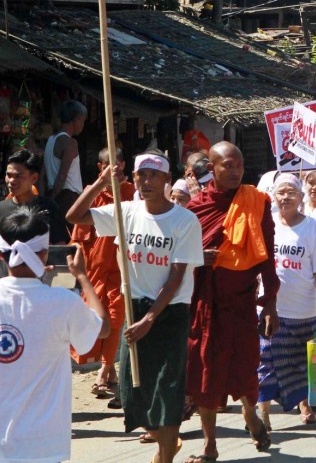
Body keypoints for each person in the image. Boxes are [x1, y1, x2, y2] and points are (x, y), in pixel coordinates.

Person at [67, 151, 203, 463]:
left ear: (168, 180)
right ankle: (164, 438)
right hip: (134, 307)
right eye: (142, 175)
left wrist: (150, 319)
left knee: (166, 390)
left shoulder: (185, 220)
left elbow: (176, 277)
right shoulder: (126, 211)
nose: (147, 181)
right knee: (131, 391)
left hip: (168, 313)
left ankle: (165, 454)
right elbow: (75, 216)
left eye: (155, 175)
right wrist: (101, 181)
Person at [186, 142, 279, 462]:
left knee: (244, 366)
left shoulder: (257, 202)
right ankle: (210, 443)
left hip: (242, 302)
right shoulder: (195, 208)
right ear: (211, 168)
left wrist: (270, 302)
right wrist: (198, 257)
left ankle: (250, 413)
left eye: (239, 165)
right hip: (205, 303)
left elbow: (268, 253)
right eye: (228, 165)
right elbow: (179, 257)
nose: (236, 170)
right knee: (204, 372)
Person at [0, 205, 108, 463]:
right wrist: (82, 276)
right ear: (45, 253)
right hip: (43, 443)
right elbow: (101, 328)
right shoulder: (62, 302)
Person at [257, 174, 316, 428]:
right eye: (281, 193)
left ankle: (305, 405)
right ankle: (262, 414)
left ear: (300, 197)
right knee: (265, 362)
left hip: (304, 309)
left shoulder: (310, 226)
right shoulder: (266, 225)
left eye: (291, 192)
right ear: (273, 197)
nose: (285, 197)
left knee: (301, 365)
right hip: (271, 310)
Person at [69, 147, 134, 402]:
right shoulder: (92, 195)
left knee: (116, 319)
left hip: (120, 268)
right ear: (100, 168)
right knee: (100, 320)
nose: (115, 170)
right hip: (94, 271)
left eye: (119, 165)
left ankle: (105, 372)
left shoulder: (132, 194)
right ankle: (109, 372)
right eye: (110, 166)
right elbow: (79, 238)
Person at [0, 149, 67, 244]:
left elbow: (60, 246)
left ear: (34, 178)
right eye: (9, 175)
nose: (11, 181)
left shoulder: (49, 207)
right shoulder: (1, 209)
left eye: (18, 176)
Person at [43, 100, 87, 237]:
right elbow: (62, 177)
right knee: (72, 240)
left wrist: (45, 200)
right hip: (67, 198)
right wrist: (52, 200)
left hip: (53, 195)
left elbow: (42, 174)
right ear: (77, 119)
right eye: (83, 121)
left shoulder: (50, 140)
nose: (82, 125)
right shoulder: (70, 143)